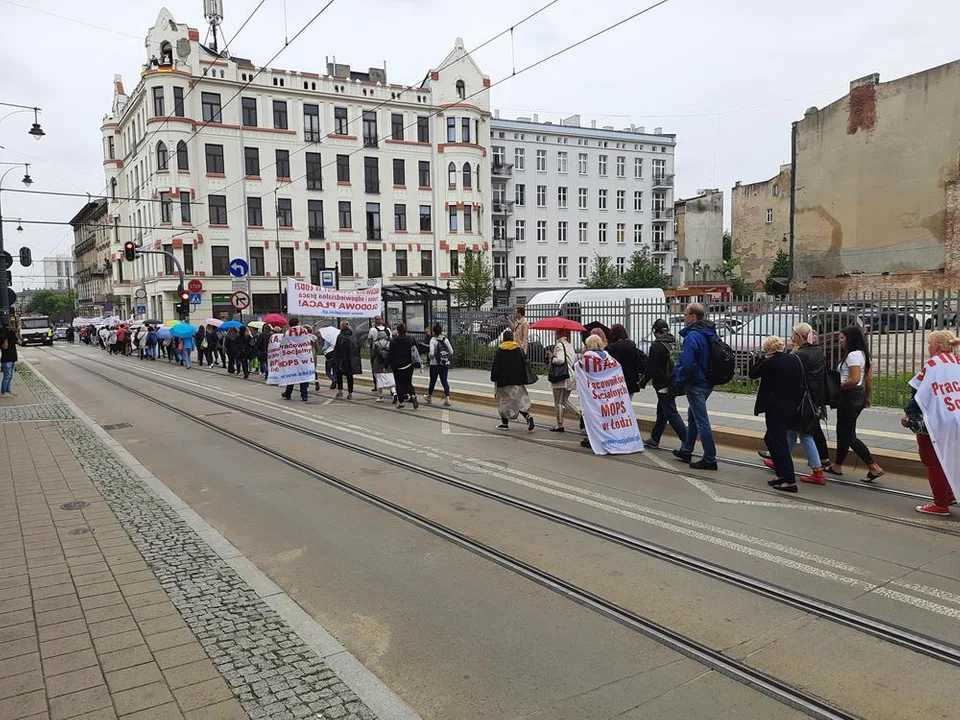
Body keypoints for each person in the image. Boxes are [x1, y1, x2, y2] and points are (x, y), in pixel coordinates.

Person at [903, 330, 960, 515]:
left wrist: (908, 415)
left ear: (936, 346)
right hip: (956, 415)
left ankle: (940, 503)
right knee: (952, 457)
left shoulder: (933, 365)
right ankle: (950, 493)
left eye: (929, 343)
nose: (928, 347)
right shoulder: (957, 360)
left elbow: (919, 394)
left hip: (937, 420)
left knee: (933, 461)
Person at [748, 335, 805, 493]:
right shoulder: (794, 359)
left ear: (768, 349)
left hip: (775, 407)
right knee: (771, 438)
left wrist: (763, 358)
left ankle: (789, 480)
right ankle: (781, 474)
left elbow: (752, 373)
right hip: (791, 406)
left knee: (778, 441)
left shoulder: (770, 362)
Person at [829, 326, 885, 482]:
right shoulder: (863, 354)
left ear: (850, 338)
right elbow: (868, 379)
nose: (839, 341)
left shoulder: (853, 355)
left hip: (849, 396)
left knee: (848, 435)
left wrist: (837, 388)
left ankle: (874, 467)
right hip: (857, 396)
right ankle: (837, 465)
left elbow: (854, 379)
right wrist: (867, 397)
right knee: (843, 431)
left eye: (841, 338)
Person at [672, 303, 719, 470]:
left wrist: (678, 381)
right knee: (693, 416)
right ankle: (687, 450)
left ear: (693, 317)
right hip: (708, 381)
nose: (683, 318)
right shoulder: (710, 332)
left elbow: (687, 363)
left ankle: (710, 458)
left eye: (685, 315)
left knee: (701, 420)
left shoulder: (693, 336)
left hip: (696, 383)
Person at [790, 323, 829, 485]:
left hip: (802, 400)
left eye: (794, 335)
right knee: (791, 432)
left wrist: (792, 352)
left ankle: (817, 471)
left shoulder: (800, 355)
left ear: (799, 337)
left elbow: (792, 375)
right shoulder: (818, 351)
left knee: (805, 435)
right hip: (815, 398)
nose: (792, 338)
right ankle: (780, 459)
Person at [641, 318, 687, 448]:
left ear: (655, 331)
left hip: (662, 384)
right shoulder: (675, 342)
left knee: (670, 412)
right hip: (675, 381)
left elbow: (652, 368)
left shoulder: (656, 346)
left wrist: (643, 382)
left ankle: (686, 440)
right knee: (662, 411)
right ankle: (655, 438)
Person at [491, 329, 535, 431]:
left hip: (503, 382)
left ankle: (504, 424)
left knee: (504, 402)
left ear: (503, 339)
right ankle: (528, 417)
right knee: (519, 402)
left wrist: (494, 378)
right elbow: (523, 364)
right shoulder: (518, 350)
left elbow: (496, 367)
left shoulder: (500, 350)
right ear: (512, 338)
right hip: (517, 382)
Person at [545, 329, 578, 432]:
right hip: (570, 375)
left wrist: (551, 357)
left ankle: (560, 425)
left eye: (556, 332)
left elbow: (560, 360)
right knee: (564, 400)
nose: (554, 333)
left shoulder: (559, 345)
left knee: (558, 402)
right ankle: (581, 416)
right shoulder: (569, 345)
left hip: (560, 377)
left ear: (560, 333)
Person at [388, 323, 419, 409]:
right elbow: (416, 350)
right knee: (408, 382)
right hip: (409, 364)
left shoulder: (393, 341)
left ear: (397, 330)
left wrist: (386, 364)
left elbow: (390, 354)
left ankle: (401, 403)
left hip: (397, 366)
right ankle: (413, 395)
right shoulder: (411, 339)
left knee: (399, 384)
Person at [606, 324, 642, 398]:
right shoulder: (632, 344)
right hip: (631, 381)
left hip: (618, 382)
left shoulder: (612, 347)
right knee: (628, 403)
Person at [281, 318, 310, 402]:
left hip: (292, 357)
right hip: (303, 357)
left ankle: (288, 393)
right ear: (298, 323)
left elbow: (283, 345)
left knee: (292, 376)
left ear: (290, 325)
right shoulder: (304, 331)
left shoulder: (287, 333)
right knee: (303, 376)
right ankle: (304, 395)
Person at [426, 323, 453, 406]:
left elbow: (431, 353)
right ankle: (447, 399)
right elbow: (451, 351)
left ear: (433, 332)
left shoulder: (433, 340)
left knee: (433, 381)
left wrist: (430, 356)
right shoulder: (445, 339)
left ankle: (429, 397)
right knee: (444, 380)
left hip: (434, 364)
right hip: (444, 363)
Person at [333, 320, 361, 399]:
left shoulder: (340, 336)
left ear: (341, 327)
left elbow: (337, 348)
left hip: (342, 359)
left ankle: (340, 391)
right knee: (349, 376)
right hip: (350, 359)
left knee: (339, 375)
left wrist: (335, 358)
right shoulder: (352, 336)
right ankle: (350, 392)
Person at [370, 323, 395, 403]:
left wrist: (372, 360)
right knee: (390, 378)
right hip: (388, 363)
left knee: (379, 378)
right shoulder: (389, 343)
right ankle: (394, 392)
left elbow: (373, 353)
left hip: (378, 363)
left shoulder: (376, 343)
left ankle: (380, 396)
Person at [368, 316, 389, 394]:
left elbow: (369, 341)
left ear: (375, 321)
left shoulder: (372, 330)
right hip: (387, 353)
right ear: (382, 321)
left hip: (376, 354)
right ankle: (391, 387)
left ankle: (377, 385)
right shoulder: (388, 330)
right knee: (388, 370)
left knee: (375, 370)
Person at [1, 324, 18, 396]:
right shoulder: (4, 336)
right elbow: (5, 346)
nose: (10, 328)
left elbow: (18, 341)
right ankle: (3, 391)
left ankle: (8, 390)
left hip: (13, 357)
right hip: (7, 358)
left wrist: (16, 332)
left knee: (10, 376)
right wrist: (6, 338)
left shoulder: (12, 335)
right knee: (7, 376)